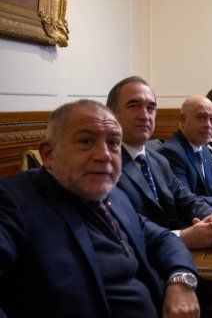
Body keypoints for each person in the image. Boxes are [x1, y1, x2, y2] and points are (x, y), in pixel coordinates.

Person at [0, 100, 200, 317]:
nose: (104, 155)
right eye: (86, 141)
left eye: (114, 143)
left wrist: (181, 281)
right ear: (49, 154)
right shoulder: (13, 202)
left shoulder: (114, 196)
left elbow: (163, 238)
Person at [106, 76, 212, 249]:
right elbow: (120, 234)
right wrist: (183, 237)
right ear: (111, 114)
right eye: (134, 106)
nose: (145, 115)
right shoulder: (104, 166)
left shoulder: (158, 161)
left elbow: (188, 200)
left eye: (151, 108)